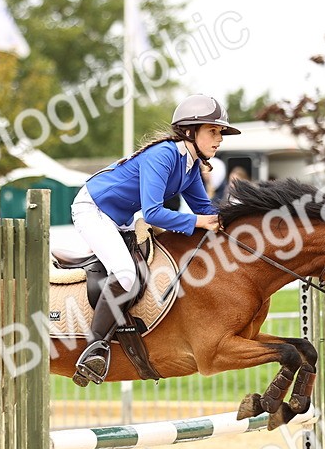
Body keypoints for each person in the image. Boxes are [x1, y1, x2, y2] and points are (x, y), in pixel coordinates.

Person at [51, 93, 237, 386]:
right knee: (126, 275)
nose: (219, 139)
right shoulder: (164, 155)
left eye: (220, 133)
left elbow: (206, 210)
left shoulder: (189, 167)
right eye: (213, 131)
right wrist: (201, 221)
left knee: (142, 270)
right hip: (93, 209)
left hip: (120, 219)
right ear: (190, 131)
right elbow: (153, 213)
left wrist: (238, 221)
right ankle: (93, 349)